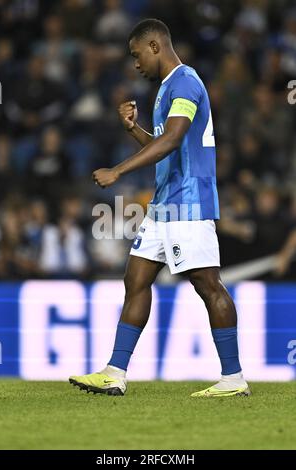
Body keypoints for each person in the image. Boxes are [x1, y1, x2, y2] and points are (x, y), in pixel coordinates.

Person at [69, 18, 250, 397]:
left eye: (137, 56)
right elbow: (166, 145)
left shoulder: (184, 81)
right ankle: (115, 372)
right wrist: (134, 130)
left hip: (188, 202)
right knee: (135, 280)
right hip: (165, 203)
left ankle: (233, 378)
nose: (136, 65)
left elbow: (172, 141)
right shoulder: (169, 88)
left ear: (155, 46)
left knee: (207, 285)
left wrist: (117, 171)